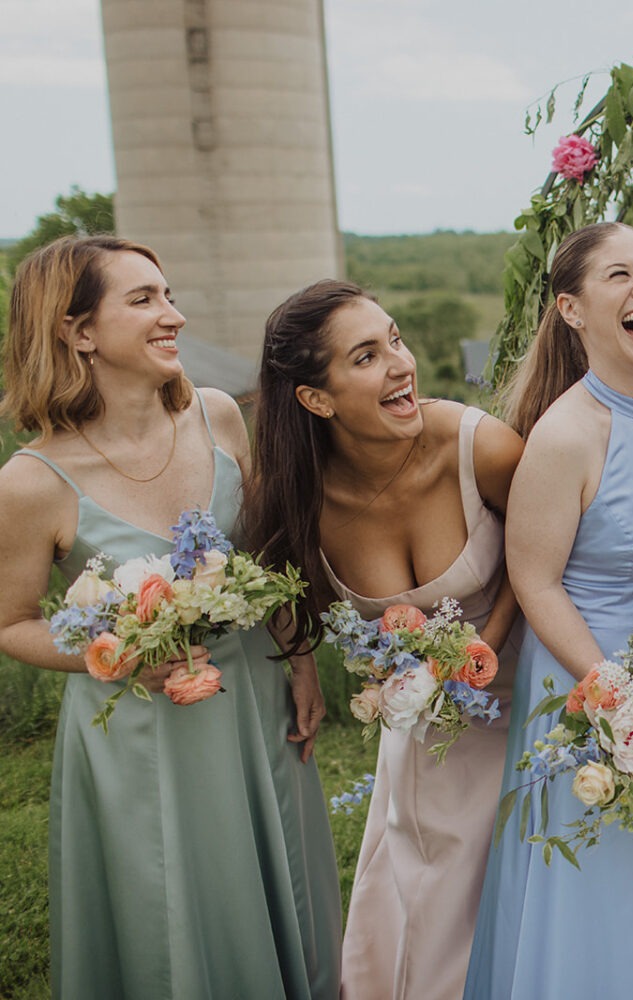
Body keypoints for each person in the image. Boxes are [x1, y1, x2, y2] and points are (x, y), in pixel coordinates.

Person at [0, 235, 341, 998]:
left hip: (255, 697)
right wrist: (113, 653)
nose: (174, 316)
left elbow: (267, 554)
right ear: (77, 330)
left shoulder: (218, 418)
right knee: (175, 921)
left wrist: (301, 661)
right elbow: (11, 622)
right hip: (142, 731)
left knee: (283, 881)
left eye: (170, 295)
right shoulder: (30, 483)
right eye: (144, 300)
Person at [239, 279, 524, 1000]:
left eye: (395, 339)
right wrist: (303, 666)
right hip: (428, 731)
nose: (401, 364)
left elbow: (548, 561)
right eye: (367, 356)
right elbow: (280, 589)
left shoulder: (479, 446)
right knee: (432, 913)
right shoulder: (298, 498)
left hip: (524, 702)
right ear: (317, 398)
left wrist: (481, 648)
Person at [463, 221, 633, 998]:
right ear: (572, 309)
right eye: (618, 276)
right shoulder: (565, 434)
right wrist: (614, 693)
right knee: (601, 882)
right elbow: (535, 581)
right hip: (585, 682)